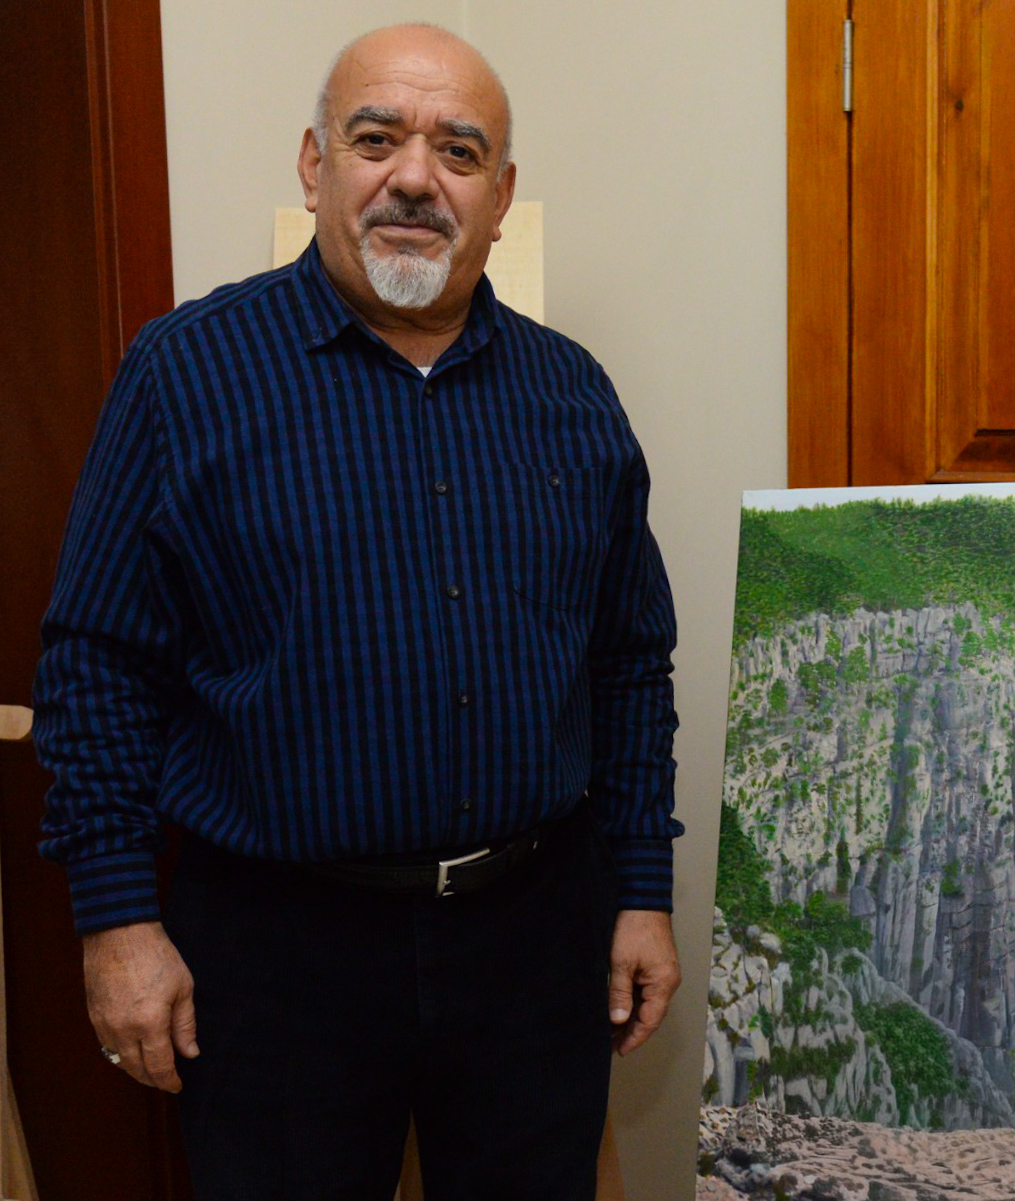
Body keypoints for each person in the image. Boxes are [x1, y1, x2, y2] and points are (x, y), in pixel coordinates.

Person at [33, 24, 682, 1199]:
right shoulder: (185, 374)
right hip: (278, 957)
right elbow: (96, 666)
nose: (416, 178)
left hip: (533, 942)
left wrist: (640, 889)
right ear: (314, 163)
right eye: (376, 139)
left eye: (459, 152)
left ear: (500, 197)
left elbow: (630, 660)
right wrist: (116, 920)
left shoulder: (573, 394)